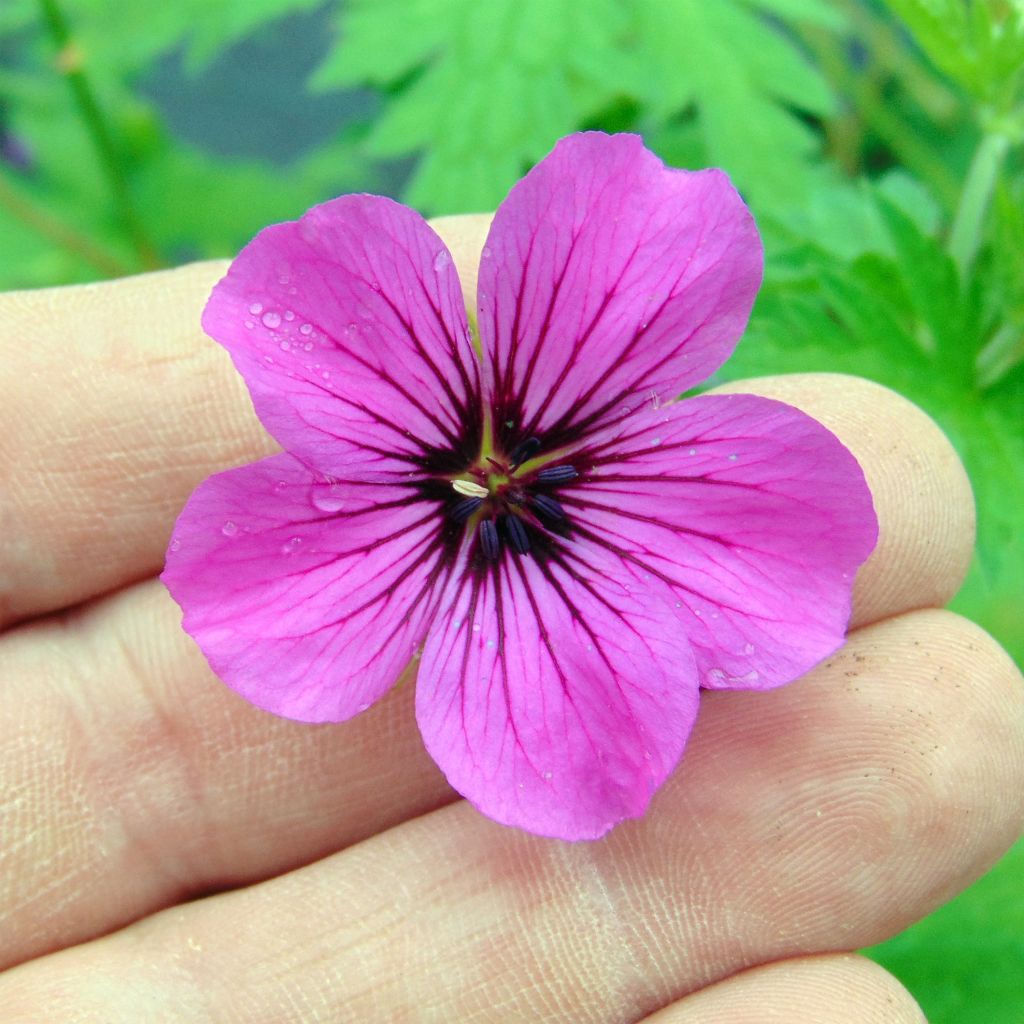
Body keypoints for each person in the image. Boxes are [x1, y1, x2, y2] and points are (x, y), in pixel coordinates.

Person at [0, 215, 1020, 1023]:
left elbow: (772, 558)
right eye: (485, 473)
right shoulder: (400, 440)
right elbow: (264, 588)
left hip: (546, 501)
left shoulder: (587, 417)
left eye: (498, 471)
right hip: (437, 516)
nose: (492, 476)